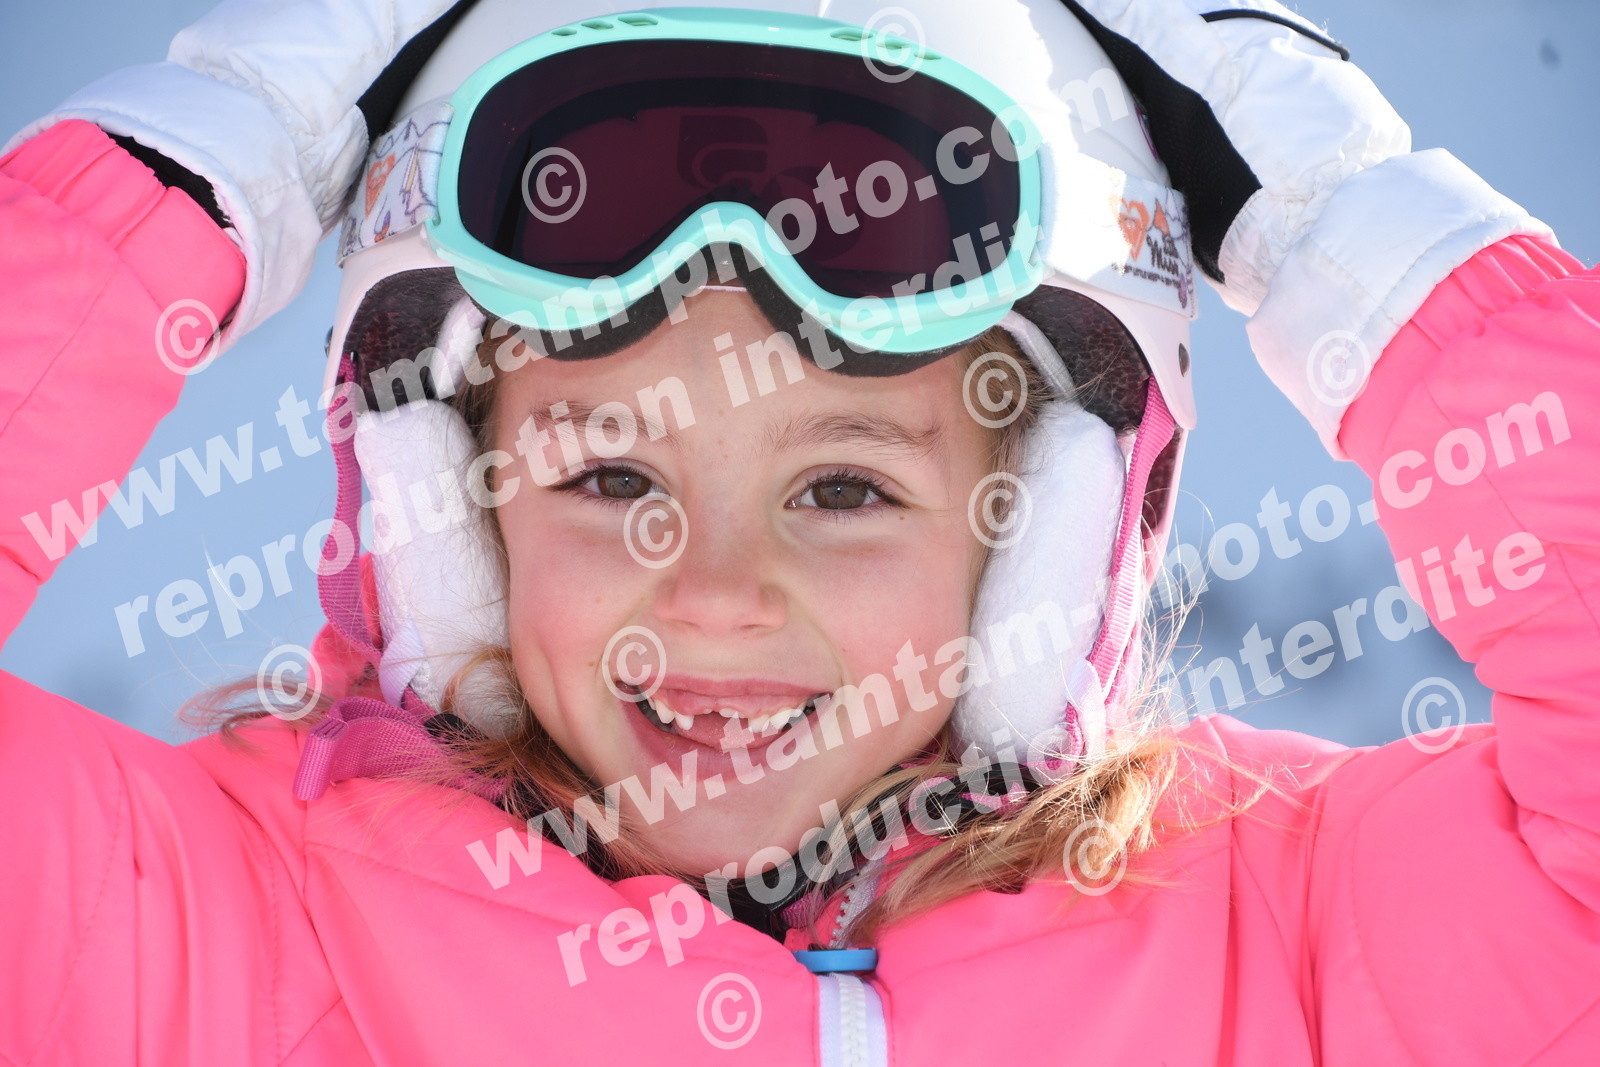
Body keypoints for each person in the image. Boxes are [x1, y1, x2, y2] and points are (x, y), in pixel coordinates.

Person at [1, 0, 1596, 1063]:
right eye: (609, 480)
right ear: (448, 513)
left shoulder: (1295, 939)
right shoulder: (211, 933)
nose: (712, 594)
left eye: (844, 490)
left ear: (1043, 538)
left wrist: (1358, 233)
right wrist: (179, 165)